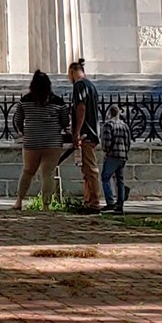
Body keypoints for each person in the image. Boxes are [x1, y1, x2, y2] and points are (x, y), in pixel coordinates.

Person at [11, 70, 67, 211]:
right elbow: (65, 121)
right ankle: (46, 205)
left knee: (28, 171)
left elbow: (17, 120)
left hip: (32, 141)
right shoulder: (58, 102)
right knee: (48, 173)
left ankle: (19, 201)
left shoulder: (25, 101)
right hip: (52, 142)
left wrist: (24, 132)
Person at [67, 59, 103, 214]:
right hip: (92, 131)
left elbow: (81, 108)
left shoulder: (79, 85)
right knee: (86, 170)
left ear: (72, 72)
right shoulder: (91, 85)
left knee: (90, 169)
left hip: (87, 133)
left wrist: (77, 131)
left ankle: (94, 202)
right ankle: (88, 201)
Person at [100, 105, 132, 213]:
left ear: (109, 113)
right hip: (122, 155)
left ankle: (110, 202)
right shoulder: (124, 126)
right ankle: (120, 204)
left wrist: (106, 150)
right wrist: (125, 151)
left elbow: (106, 141)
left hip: (112, 155)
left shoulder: (108, 125)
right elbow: (128, 142)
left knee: (105, 177)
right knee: (120, 181)